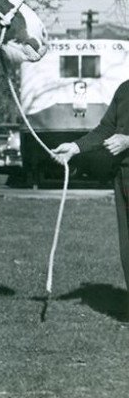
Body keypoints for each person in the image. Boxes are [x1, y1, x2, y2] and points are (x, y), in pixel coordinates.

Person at [53, 80, 129, 290]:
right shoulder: (124, 88)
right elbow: (106, 128)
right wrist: (75, 147)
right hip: (122, 176)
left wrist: (128, 140)